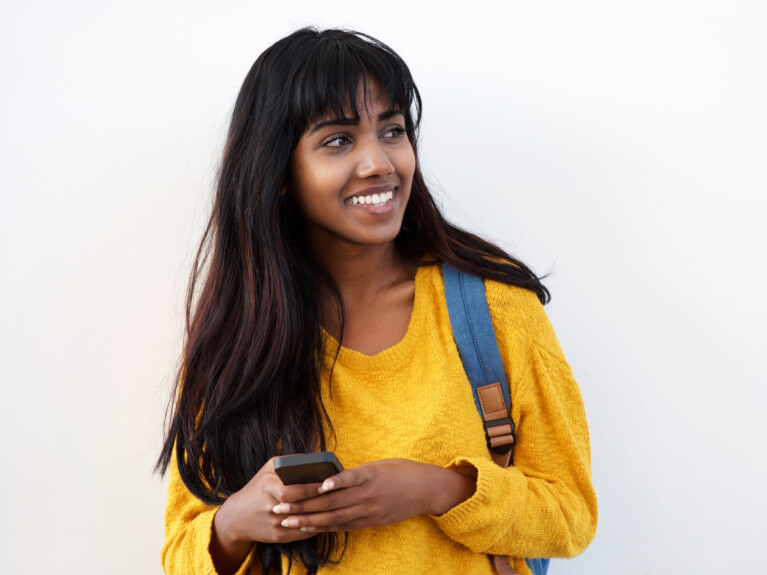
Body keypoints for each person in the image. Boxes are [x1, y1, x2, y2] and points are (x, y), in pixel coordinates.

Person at [157, 27, 597, 575]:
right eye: (338, 140)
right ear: (278, 174)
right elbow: (180, 555)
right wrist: (234, 524)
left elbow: (572, 517)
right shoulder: (238, 338)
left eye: (392, 130)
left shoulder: (496, 310)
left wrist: (440, 490)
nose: (379, 163)